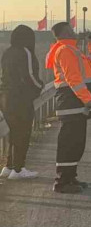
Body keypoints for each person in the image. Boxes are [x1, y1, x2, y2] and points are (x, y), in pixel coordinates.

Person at [47, 22, 91, 194]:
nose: (75, 31)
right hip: (72, 103)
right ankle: (62, 182)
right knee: (69, 143)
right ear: (64, 33)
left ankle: (70, 177)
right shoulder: (65, 51)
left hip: (77, 105)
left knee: (77, 143)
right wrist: (88, 100)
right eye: (71, 29)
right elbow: (73, 79)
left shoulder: (74, 51)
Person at [0, 25, 44, 180]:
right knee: (23, 133)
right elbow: (30, 76)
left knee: (13, 132)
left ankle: (8, 166)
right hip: (21, 99)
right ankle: (18, 169)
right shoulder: (25, 52)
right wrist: (40, 86)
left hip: (5, 98)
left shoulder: (7, 52)